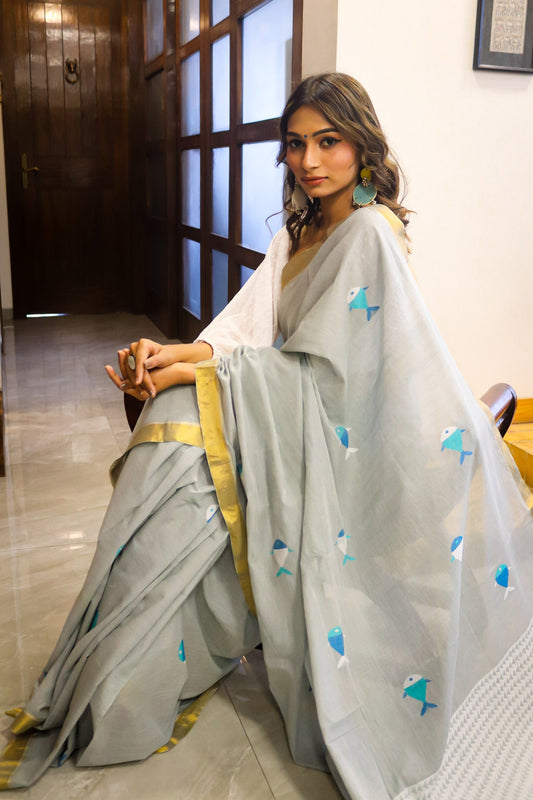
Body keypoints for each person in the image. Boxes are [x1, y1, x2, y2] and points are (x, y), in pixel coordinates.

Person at [1, 74, 532, 799]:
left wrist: (203, 380)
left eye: (328, 142)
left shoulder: (371, 234)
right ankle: (119, 647)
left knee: (184, 440)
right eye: (295, 144)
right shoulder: (301, 230)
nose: (309, 160)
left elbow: (337, 379)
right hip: (292, 411)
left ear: (361, 146)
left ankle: (128, 656)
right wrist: (169, 360)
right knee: (171, 426)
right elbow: (255, 343)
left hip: (349, 438)